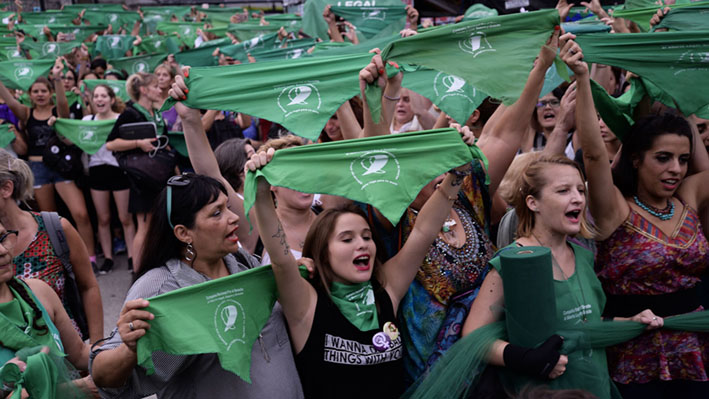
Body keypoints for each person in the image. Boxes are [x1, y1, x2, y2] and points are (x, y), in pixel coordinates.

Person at [247, 119, 475, 398]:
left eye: (367, 237)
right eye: (347, 239)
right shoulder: (305, 304)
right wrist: (260, 190)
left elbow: (424, 231)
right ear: (321, 251)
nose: (362, 245)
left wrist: (456, 174)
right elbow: (281, 258)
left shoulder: (387, 290)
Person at [566, 35, 709, 398]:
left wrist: (672, 67)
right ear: (636, 159)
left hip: (697, 355)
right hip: (633, 361)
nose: (675, 169)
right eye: (663, 158)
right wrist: (583, 80)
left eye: (682, 159)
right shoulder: (616, 209)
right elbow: (595, 157)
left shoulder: (688, 199)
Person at [461, 154, 662, 398]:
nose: (577, 198)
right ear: (533, 203)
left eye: (580, 190)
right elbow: (472, 337)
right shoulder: (512, 261)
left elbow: (583, 323)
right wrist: (526, 359)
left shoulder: (584, 256)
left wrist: (631, 322)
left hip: (595, 389)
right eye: (563, 191)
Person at [90, 174, 303, 399]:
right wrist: (129, 349)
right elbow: (103, 378)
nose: (233, 218)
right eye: (217, 213)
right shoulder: (160, 286)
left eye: (228, 207)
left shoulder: (241, 262)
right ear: (184, 233)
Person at [0, 149, 104, 344]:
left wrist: (97, 348)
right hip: (12, 366)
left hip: (68, 355)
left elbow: (88, 286)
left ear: (6, 188)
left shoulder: (54, 229)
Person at [0, 63, 96, 265]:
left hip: (61, 167)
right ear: (30, 95)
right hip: (38, 171)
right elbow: (8, 99)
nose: (40, 94)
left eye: (44, 90)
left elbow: (63, 104)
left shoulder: (57, 110)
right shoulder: (26, 113)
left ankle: (91, 258)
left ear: (51, 93)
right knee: (50, 220)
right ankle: (57, 259)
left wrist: (58, 78)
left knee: (81, 214)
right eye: (36, 91)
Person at [0, 223, 97, 398]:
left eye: (2, 238)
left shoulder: (37, 291)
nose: (2, 250)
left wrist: (125, 345)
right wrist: (78, 388)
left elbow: (80, 353)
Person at [105, 72, 169, 274]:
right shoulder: (131, 112)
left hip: (159, 174)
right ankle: (139, 272)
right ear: (143, 90)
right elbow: (110, 143)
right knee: (144, 225)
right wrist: (138, 143)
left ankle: (154, 267)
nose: (160, 90)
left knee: (158, 224)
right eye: (156, 87)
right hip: (142, 176)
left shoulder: (156, 112)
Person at [84, 85, 135, 274]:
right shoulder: (86, 120)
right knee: (103, 218)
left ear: (112, 99)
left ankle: (132, 256)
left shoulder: (120, 119)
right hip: (97, 171)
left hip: (119, 169)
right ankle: (107, 258)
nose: (100, 99)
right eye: (96, 96)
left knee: (125, 218)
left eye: (103, 95)